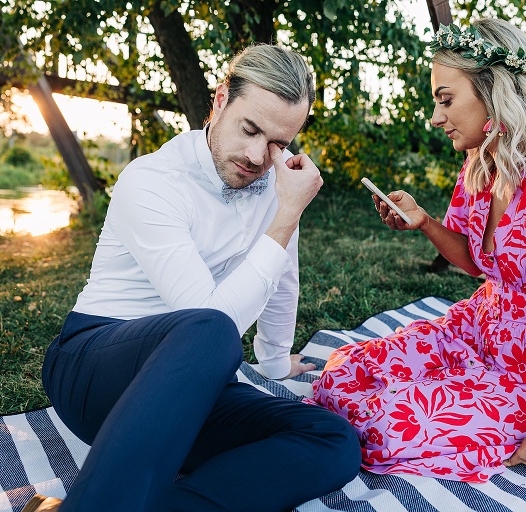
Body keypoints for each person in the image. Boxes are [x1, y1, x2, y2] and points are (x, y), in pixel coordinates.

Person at [26, 44, 361, 512]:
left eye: (277, 144)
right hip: (96, 368)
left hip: (194, 385)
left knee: (333, 439)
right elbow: (210, 319)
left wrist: (274, 362)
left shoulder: (277, 188)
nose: (257, 155)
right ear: (221, 100)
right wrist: (287, 215)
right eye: (249, 129)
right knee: (209, 328)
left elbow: (284, 280)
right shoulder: (152, 179)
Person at [310, 18, 526, 491]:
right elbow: (479, 262)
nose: (435, 117)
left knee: (383, 429)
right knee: (343, 376)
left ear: (494, 92)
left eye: (445, 100)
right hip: (477, 330)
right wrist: (425, 222)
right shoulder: (483, 160)